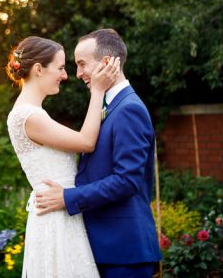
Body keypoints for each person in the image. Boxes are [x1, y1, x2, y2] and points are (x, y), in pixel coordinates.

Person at [34, 29, 162, 278]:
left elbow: (127, 181)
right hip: (105, 247)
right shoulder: (107, 105)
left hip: (124, 251)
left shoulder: (129, 109)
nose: (78, 73)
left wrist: (67, 198)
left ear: (105, 63)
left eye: (82, 64)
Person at [6, 35, 121, 278]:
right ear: (38, 69)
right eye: (59, 68)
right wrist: (98, 91)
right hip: (55, 220)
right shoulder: (29, 116)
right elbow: (86, 142)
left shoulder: (32, 113)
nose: (65, 75)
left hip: (61, 211)